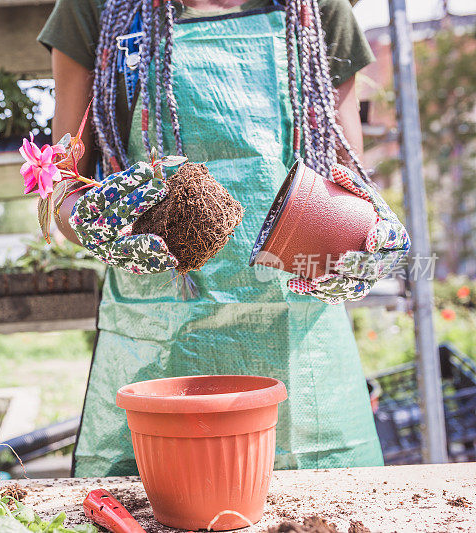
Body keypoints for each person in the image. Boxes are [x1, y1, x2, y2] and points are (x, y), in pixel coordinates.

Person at [37, 0, 409, 477]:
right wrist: (89, 220)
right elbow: (61, 185)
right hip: (155, 353)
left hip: (300, 358)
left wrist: (367, 241)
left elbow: (346, 183)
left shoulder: (315, 8)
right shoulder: (97, 9)